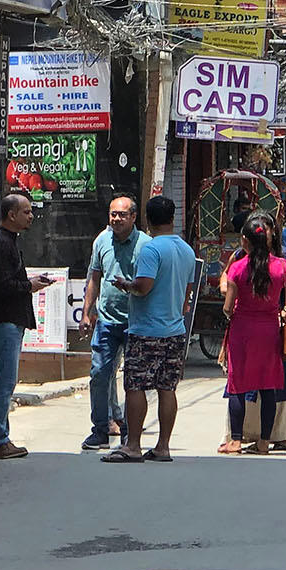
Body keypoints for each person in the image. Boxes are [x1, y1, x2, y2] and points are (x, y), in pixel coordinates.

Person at [103, 196, 196, 464]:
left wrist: (126, 285)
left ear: (147, 219)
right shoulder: (186, 250)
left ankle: (132, 445)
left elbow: (143, 286)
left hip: (146, 330)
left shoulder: (151, 250)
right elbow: (186, 293)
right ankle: (163, 446)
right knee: (167, 388)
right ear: (173, 218)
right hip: (175, 329)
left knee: (135, 386)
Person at [0, 193, 59, 459]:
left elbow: (6, 280)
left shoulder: (7, 241)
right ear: (11, 214)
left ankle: (2, 438)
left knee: (6, 381)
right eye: (26, 212)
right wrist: (29, 286)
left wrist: (30, 281)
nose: (31, 216)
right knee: (4, 382)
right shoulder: (0, 243)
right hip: (3, 320)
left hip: (9, 319)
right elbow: (2, 285)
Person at [219, 217, 286, 455]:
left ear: (245, 240)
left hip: (242, 330)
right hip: (269, 330)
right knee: (268, 386)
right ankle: (265, 442)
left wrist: (230, 313)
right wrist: (284, 316)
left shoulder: (237, 267)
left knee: (238, 385)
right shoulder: (282, 266)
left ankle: (235, 441)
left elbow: (227, 306)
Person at [79, 196, 146, 451]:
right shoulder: (101, 241)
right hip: (106, 320)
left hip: (136, 321)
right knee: (99, 374)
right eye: (113, 214)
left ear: (133, 217)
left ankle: (130, 432)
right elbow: (94, 278)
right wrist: (87, 313)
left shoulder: (145, 245)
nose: (116, 219)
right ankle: (100, 429)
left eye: (122, 215)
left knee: (133, 379)